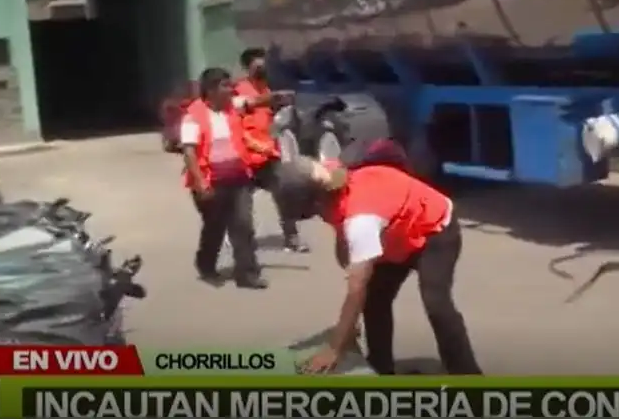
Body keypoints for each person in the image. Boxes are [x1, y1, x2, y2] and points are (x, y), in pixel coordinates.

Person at [300, 140, 483, 374]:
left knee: (437, 303)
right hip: (396, 233)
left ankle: (469, 377)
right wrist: (350, 322)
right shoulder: (329, 181)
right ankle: (381, 368)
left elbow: (357, 286)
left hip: (434, 231)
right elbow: (346, 252)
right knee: (374, 300)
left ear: (317, 202)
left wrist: (336, 347)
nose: (318, 217)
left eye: (314, 212)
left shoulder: (361, 218)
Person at [180, 67, 267, 289]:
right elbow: (189, 152)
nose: (231, 90)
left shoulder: (232, 107)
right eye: (225, 86)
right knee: (214, 227)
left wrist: (275, 98)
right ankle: (206, 266)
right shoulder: (193, 116)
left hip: (238, 179)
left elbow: (253, 102)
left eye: (231, 85)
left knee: (243, 225)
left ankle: (247, 274)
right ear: (210, 90)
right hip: (210, 182)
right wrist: (200, 182)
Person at [234, 48, 311, 253]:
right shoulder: (238, 91)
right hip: (245, 159)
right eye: (258, 65)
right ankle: (241, 243)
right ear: (247, 67)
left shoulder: (266, 89)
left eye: (265, 64)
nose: (263, 68)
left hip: (268, 157)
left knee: (285, 192)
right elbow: (236, 124)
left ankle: (292, 238)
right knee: (241, 206)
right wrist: (253, 144)